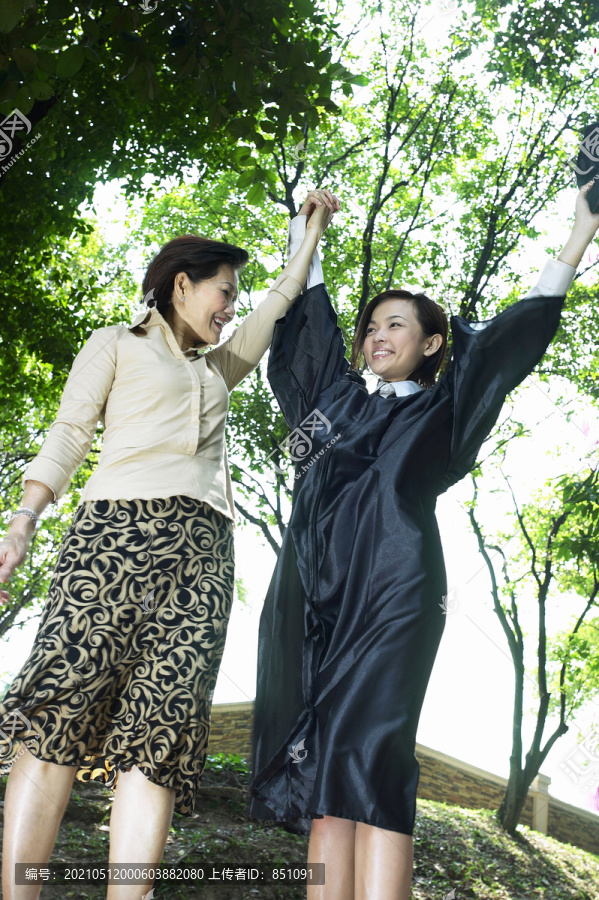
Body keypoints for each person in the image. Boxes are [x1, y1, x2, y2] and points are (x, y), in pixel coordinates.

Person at [248, 182, 599, 900]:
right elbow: (308, 319)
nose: (378, 335)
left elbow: (505, 349)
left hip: (394, 597)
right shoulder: (332, 400)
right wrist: (305, 227)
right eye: (372, 325)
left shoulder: (444, 410)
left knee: (372, 750)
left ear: (432, 344)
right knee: (320, 759)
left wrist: (578, 234)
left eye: (397, 325)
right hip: (313, 598)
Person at [0, 200, 337, 900]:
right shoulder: (115, 344)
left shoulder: (219, 370)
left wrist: (309, 239)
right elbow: (67, 434)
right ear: (181, 284)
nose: (228, 309)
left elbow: (278, 303)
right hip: (111, 540)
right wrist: (23, 523)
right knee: (59, 711)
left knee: (160, 733)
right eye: (222, 293)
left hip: (203, 556)